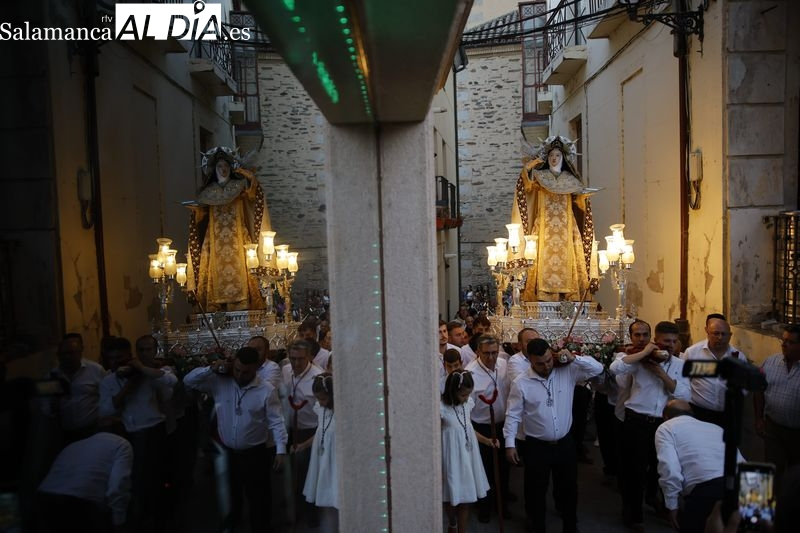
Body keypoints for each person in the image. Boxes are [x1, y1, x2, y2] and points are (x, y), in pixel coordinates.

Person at [183, 346, 287, 532]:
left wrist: (280, 450)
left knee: (259, 497)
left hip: (256, 453)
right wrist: (211, 368)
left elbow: (276, 421)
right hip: (228, 452)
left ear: (256, 368)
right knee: (232, 494)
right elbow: (188, 381)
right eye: (237, 369)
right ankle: (234, 524)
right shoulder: (219, 382)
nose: (239, 375)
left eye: (246, 372)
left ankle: (261, 527)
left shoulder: (266, 389)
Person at [504, 338, 603, 533]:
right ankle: (537, 526)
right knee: (536, 492)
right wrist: (509, 444)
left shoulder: (567, 370)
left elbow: (597, 369)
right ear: (530, 360)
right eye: (540, 363)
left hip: (565, 444)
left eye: (549, 360)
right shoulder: (521, 382)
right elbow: (513, 414)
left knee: (568, 489)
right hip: (536, 446)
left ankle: (570, 526)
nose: (547, 366)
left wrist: (574, 358)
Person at [610, 321, 692, 530]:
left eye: (674, 342)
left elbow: (683, 394)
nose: (670, 345)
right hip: (636, 420)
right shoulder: (639, 360)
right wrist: (644, 353)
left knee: (660, 467)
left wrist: (661, 375)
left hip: (664, 424)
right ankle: (633, 514)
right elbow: (615, 368)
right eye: (666, 341)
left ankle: (656, 501)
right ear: (656, 341)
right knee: (634, 471)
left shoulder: (681, 366)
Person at [99, 336, 176, 530]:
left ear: (130, 357)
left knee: (158, 478)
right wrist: (127, 388)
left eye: (121, 357)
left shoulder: (146, 373)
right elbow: (106, 410)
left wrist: (142, 370)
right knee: (137, 480)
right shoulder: (108, 381)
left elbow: (170, 384)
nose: (117, 362)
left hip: (155, 430)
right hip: (131, 434)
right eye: (112, 358)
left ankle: (161, 519)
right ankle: (142, 518)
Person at [509, 135, 594, 302]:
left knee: (572, 260)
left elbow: (580, 206)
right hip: (543, 230)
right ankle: (541, 297)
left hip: (567, 231)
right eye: (551, 156)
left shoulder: (571, 180)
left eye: (557, 156)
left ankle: (570, 296)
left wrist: (583, 199)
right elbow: (525, 186)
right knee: (539, 258)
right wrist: (529, 167)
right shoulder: (540, 177)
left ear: (563, 158)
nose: (554, 159)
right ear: (547, 158)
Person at [187, 146, 272, 311]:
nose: (223, 169)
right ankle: (215, 307)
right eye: (220, 166)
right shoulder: (207, 192)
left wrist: (250, 177)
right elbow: (201, 218)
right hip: (214, 242)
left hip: (238, 239)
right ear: (214, 169)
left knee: (245, 268)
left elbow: (254, 196)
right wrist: (196, 213)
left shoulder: (239, 187)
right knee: (211, 271)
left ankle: (242, 304)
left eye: (226, 166)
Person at [654, 400, 744, 533]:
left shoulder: (666, 428)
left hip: (706, 490)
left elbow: (669, 468)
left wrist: (672, 506)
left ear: (665, 417)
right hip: (739, 485)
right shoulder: (715, 428)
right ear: (692, 414)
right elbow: (739, 459)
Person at [36, 431, 133, 533]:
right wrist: (118, 521)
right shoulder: (122, 444)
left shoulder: (74, 445)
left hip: (43, 500)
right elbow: (118, 485)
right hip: (79, 504)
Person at [465, 335, 511, 523]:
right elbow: (467, 409)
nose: (491, 358)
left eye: (494, 352)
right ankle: (484, 506)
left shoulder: (503, 365)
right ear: (477, 352)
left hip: (502, 424)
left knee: (503, 468)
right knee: (483, 469)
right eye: (486, 354)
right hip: (481, 427)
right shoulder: (471, 374)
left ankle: (502, 504)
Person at [441, 369, 491, 533]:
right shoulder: (441, 409)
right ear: (452, 391)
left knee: (466, 500)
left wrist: (487, 441)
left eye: (468, 395)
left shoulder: (467, 404)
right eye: (463, 395)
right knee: (450, 498)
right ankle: (452, 521)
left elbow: (468, 428)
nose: (466, 398)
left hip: (468, 456)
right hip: (451, 456)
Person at [282, 339, 324, 526]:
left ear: (309, 357)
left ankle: (312, 515)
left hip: (310, 432)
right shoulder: (285, 371)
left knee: (309, 475)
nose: (296, 363)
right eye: (292, 359)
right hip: (289, 430)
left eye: (300, 359)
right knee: (292, 475)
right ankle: (294, 511)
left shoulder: (318, 377)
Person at [753, 325, 800, 483]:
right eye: (783, 339)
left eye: (790, 342)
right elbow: (759, 390)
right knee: (772, 472)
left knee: (795, 478)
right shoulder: (770, 362)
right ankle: (771, 504)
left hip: (797, 434)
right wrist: (759, 418)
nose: (784, 344)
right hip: (773, 429)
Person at [682, 315, 748, 427]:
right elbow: (684, 382)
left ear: (730, 335)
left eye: (724, 334)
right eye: (716, 333)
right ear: (708, 333)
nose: (720, 337)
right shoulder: (692, 353)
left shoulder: (738, 357)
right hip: (699, 413)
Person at [295, 373, 339, 532]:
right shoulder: (320, 409)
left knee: (336, 498)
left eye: (323, 399)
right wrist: (304, 445)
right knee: (324, 500)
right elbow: (320, 432)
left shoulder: (341, 413)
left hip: (334, 461)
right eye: (318, 399)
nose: (320, 402)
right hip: (321, 460)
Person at [48, 333, 107, 443]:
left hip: (93, 430)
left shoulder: (96, 370)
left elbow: (107, 397)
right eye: (63, 354)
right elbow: (45, 407)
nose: (67, 357)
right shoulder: (52, 376)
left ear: (80, 353)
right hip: (65, 434)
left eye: (71, 353)